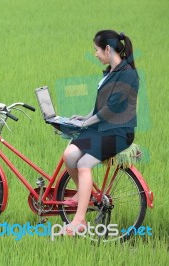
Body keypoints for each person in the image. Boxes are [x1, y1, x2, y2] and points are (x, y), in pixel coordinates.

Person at [62, 30, 139, 235]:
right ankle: (83, 193)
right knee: (69, 155)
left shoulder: (128, 74)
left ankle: (80, 221)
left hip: (119, 133)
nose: (95, 54)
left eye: (96, 49)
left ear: (107, 48)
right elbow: (100, 106)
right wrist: (84, 117)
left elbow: (110, 110)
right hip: (102, 128)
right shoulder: (110, 72)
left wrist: (86, 123)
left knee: (84, 163)